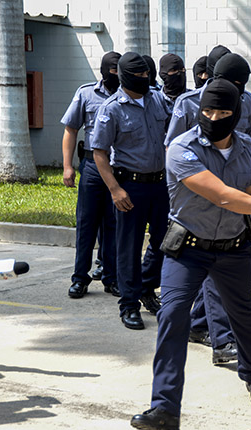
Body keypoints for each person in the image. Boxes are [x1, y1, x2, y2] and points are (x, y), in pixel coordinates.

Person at [130, 79, 251, 430]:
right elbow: (223, 196)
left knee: (244, 317)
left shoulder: (247, 148)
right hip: (188, 250)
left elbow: (247, 190)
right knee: (172, 315)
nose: (213, 117)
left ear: (237, 115)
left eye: (223, 112)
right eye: (207, 111)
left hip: (233, 247)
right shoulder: (181, 149)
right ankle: (164, 408)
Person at [91, 52, 171, 330]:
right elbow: (99, 152)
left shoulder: (157, 99)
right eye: (138, 76)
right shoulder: (111, 108)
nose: (144, 79)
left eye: (147, 74)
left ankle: (147, 287)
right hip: (130, 187)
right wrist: (114, 189)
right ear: (124, 77)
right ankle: (129, 305)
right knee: (129, 248)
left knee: (166, 242)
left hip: (160, 185)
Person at [61, 51, 121, 300]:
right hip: (92, 169)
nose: (115, 74)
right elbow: (70, 129)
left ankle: (111, 277)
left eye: (119, 69)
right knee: (87, 225)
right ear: (103, 69)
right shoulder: (86, 93)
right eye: (112, 69)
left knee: (114, 225)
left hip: (119, 169)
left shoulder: (129, 94)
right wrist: (67, 166)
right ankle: (79, 279)